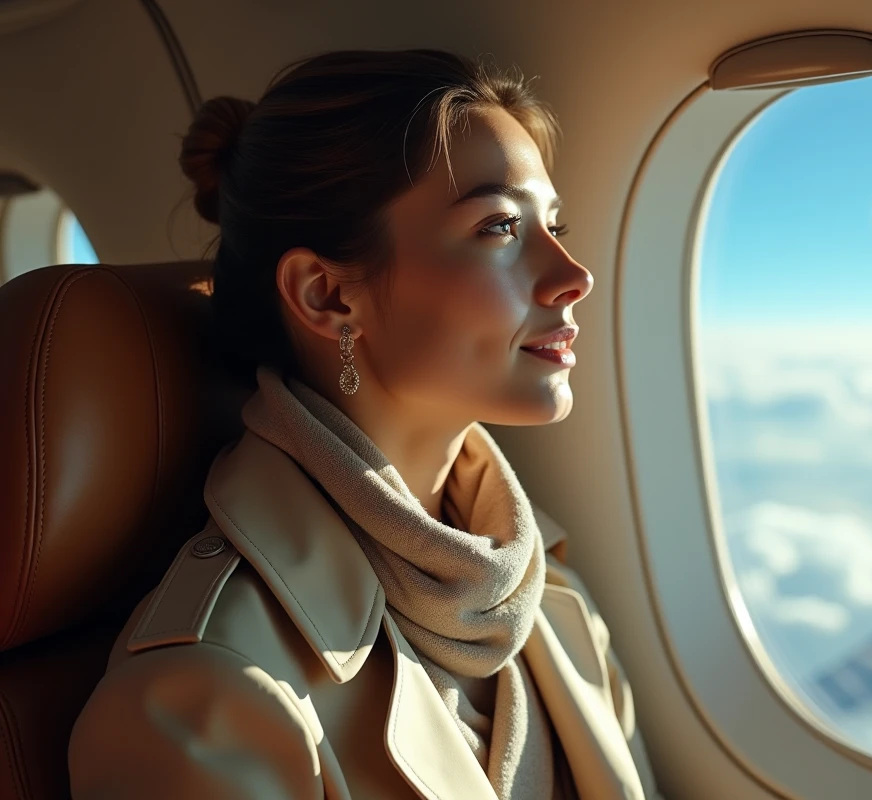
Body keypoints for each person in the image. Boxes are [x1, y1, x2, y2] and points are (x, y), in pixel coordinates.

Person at [68, 49, 660, 800]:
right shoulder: (204, 699)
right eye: (501, 227)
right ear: (327, 296)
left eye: (554, 223)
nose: (575, 274)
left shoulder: (552, 600)